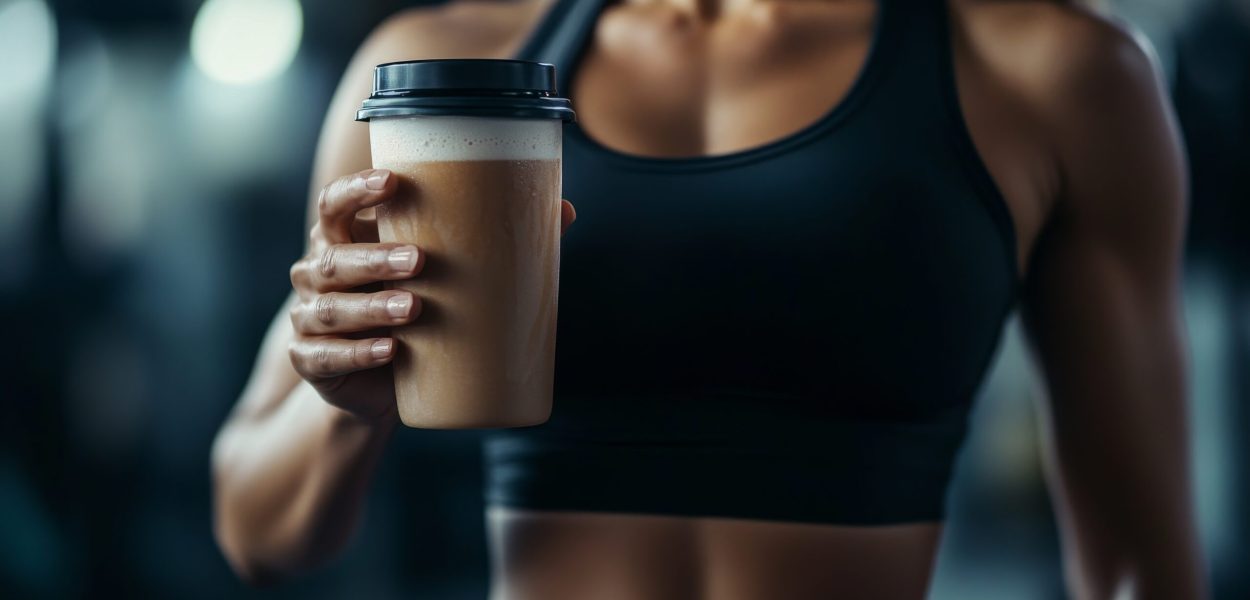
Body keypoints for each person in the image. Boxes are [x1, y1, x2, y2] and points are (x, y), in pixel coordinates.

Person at [211, 0, 1206, 597]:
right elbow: (256, 533)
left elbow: (1141, 573)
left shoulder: (1055, 73)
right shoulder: (437, 76)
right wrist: (348, 405)